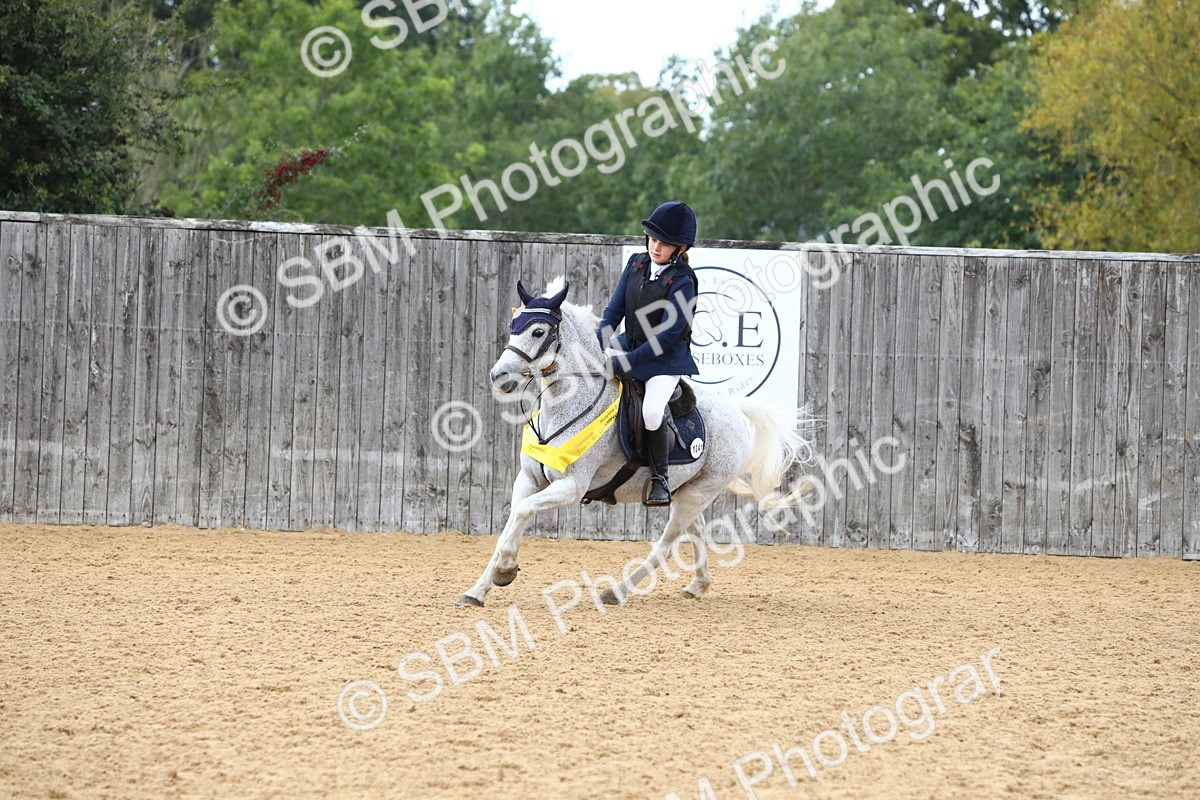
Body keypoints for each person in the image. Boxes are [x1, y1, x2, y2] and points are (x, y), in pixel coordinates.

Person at [596, 201, 700, 506]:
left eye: (664, 243)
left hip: (665, 360)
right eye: (653, 239)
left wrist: (626, 362)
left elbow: (667, 336)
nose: (656, 246)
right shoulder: (636, 264)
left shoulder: (683, 281)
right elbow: (614, 311)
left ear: (679, 249)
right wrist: (597, 344)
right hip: (629, 345)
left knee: (652, 412)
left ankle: (659, 479)